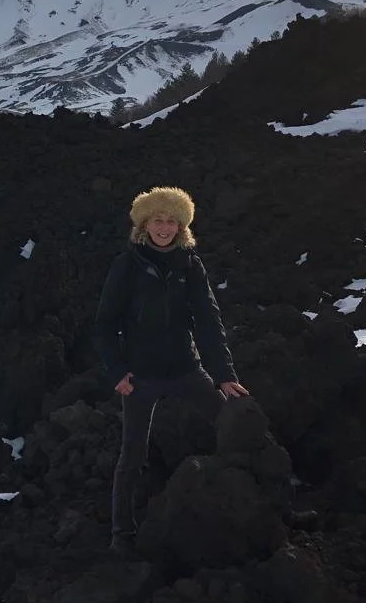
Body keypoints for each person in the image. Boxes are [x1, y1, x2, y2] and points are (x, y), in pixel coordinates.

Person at [95, 186, 248, 558]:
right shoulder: (127, 265)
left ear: (182, 227)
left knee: (235, 424)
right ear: (143, 225)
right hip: (140, 376)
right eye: (157, 220)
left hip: (185, 368)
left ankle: (264, 499)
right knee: (132, 454)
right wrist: (117, 371)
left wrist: (224, 374)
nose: (164, 227)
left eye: (171, 221)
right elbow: (104, 323)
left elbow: (209, 321)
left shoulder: (190, 265)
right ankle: (122, 534)